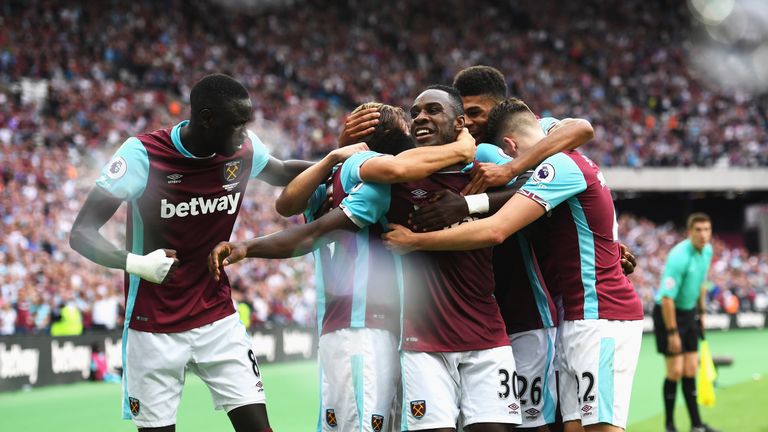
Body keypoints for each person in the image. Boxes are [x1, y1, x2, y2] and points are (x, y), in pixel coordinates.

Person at [69, 73, 329, 432]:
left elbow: (283, 172)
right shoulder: (144, 154)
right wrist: (136, 264)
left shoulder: (244, 149)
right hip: (152, 325)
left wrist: (340, 163)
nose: (244, 134)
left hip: (217, 319)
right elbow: (81, 232)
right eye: (236, 125)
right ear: (207, 118)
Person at [209, 101, 478, 432]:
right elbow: (393, 172)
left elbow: (285, 203)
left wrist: (332, 156)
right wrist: (462, 148)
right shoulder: (369, 171)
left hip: (349, 328)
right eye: (406, 126)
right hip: (365, 329)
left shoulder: (326, 180)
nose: (414, 129)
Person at [383, 97, 644, 432]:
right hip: (576, 318)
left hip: (599, 314)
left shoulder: (558, 164)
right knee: (574, 426)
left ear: (508, 145)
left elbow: (497, 228)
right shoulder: (563, 158)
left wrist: (419, 238)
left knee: (599, 427)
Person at [653, 213, 719, 432]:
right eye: (698, 230)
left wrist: (701, 313)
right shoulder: (679, 256)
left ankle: (696, 425)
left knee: (691, 369)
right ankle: (670, 425)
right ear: (690, 232)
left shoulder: (707, 251)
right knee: (675, 372)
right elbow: (667, 298)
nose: (703, 234)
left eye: (707, 230)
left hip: (690, 313)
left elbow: (701, 283)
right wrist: (672, 332)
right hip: (668, 314)